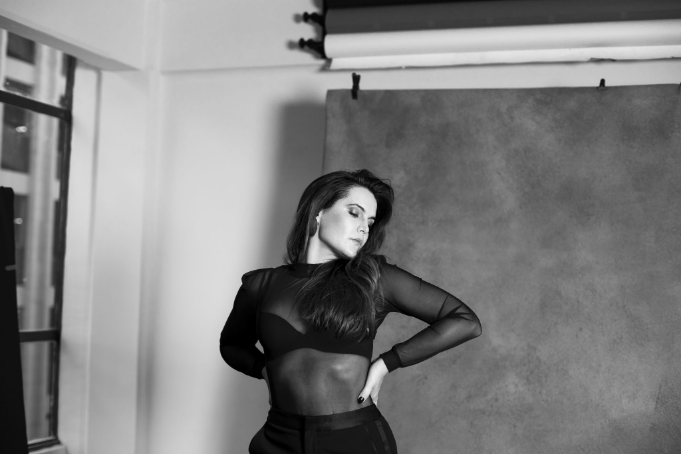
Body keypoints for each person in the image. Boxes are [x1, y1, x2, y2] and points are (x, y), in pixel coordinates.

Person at [220, 169, 482, 454]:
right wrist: (262, 369)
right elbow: (232, 345)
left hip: (355, 439)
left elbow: (465, 321)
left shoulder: (374, 278)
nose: (364, 229)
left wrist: (386, 363)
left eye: (370, 221)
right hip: (278, 439)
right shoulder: (261, 284)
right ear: (318, 212)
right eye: (355, 213)